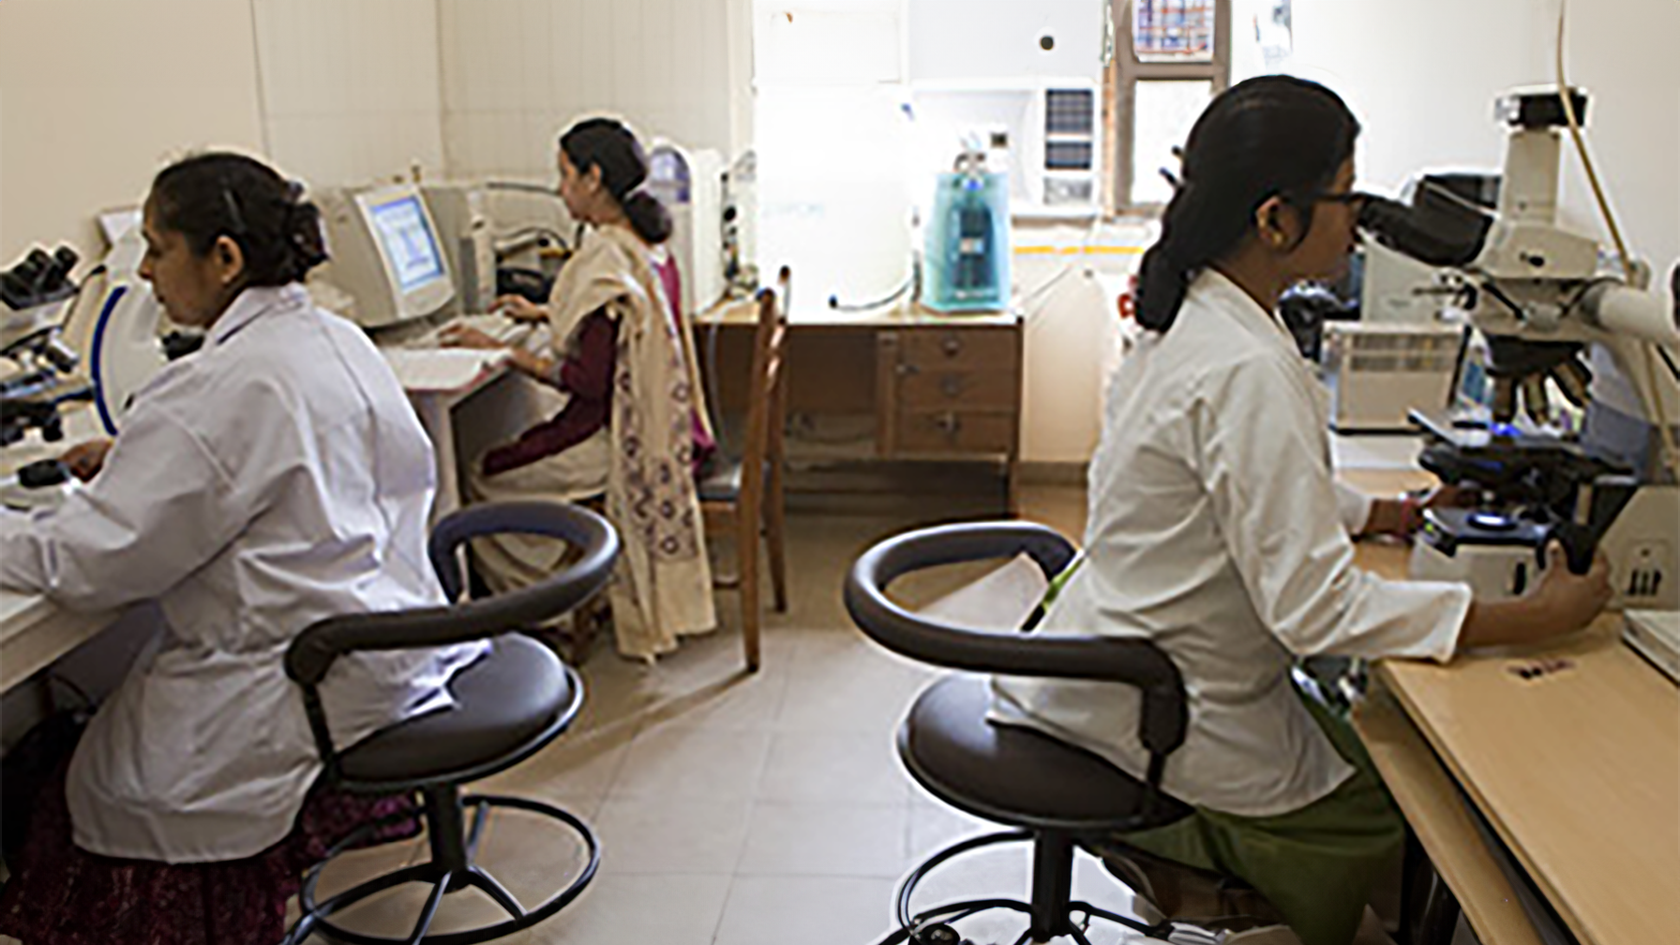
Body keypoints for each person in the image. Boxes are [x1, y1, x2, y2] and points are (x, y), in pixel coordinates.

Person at [990, 77, 1612, 945]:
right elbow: (1313, 608)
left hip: (1113, 659)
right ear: (1277, 220)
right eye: (1346, 197)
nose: (1358, 220)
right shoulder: (1247, 363)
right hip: (1157, 711)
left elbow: (1243, 486)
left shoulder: (1202, 312)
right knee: (1399, 821)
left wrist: (1389, 514)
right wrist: (1526, 617)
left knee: (1366, 744)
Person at [0, 153, 487, 945]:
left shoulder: (215, 390)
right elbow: (278, 466)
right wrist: (141, 456)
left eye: (158, 248)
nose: (149, 273)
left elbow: (86, 563)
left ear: (223, 257)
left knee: (101, 782)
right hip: (383, 646)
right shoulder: (336, 337)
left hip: (292, 683)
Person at [445, 117, 716, 662]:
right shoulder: (647, 245)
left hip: (608, 437)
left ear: (593, 178)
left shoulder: (603, 259)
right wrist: (543, 311)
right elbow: (617, 328)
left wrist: (503, 350)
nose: (559, 187)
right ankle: (572, 589)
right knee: (514, 447)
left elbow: (588, 379)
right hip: (663, 428)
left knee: (482, 476)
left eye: (565, 174)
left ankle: (554, 608)